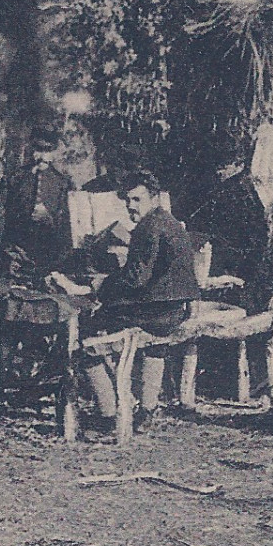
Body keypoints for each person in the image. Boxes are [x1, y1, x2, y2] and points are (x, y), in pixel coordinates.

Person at [82, 169, 200, 428]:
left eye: (137, 199)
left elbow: (135, 279)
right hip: (174, 309)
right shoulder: (169, 222)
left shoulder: (148, 227)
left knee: (87, 336)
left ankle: (108, 413)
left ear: (154, 198)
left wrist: (100, 286)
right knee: (152, 344)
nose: (130, 206)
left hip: (158, 312)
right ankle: (146, 410)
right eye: (127, 200)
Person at [183, 133, 268, 312]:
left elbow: (249, 237)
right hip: (235, 261)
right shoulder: (230, 188)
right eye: (217, 166)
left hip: (235, 264)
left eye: (224, 166)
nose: (219, 171)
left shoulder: (239, 192)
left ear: (240, 165)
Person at [0, 118, 73, 275]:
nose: (41, 156)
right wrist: (9, 254)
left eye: (47, 151)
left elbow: (65, 230)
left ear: (54, 152)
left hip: (48, 258)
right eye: (38, 150)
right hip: (17, 256)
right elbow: (4, 219)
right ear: (31, 148)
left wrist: (50, 220)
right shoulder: (16, 178)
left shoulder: (60, 183)